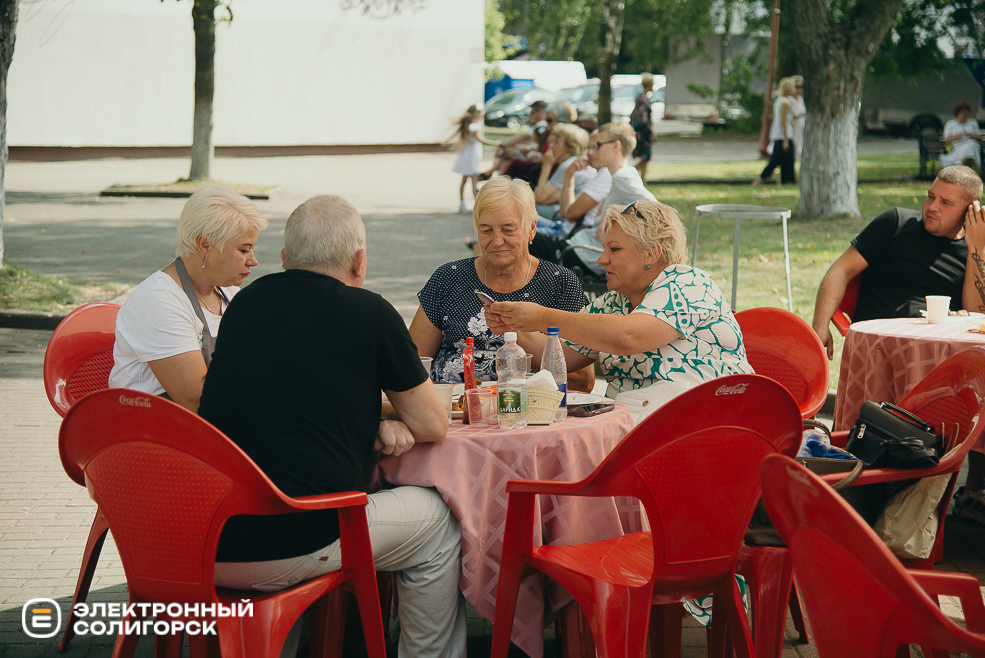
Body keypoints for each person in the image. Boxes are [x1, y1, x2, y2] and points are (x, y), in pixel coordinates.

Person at [201, 195, 466, 658]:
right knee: (439, 522)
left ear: (284, 259)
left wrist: (372, 420)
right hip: (299, 538)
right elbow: (432, 423)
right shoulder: (371, 312)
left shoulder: (244, 306)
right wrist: (385, 416)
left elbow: (288, 393)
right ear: (359, 262)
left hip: (208, 538)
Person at [485, 199, 753, 399]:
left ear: (652, 253)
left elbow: (629, 337)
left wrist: (543, 317)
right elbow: (562, 355)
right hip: (638, 426)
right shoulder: (614, 302)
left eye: (614, 249)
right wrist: (512, 327)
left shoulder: (688, 282)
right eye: (604, 248)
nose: (602, 259)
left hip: (711, 420)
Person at [410, 177, 595, 392]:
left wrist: (521, 333)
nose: (497, 241)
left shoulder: (559, 283)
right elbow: (411, 365)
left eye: (508, 229)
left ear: (532, 229)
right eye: (486, 230)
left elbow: (583, 381)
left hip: (533, 417)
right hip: (455, 415)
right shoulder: (449, 278)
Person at [108, 182, 267, 413]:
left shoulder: (228, 291)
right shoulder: (158, 301)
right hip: (152, 431)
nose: (253, 261)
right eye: (244, 250)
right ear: (205, 246)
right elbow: (196, 400)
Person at [811, 165, 984, 358]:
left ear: (971, 210)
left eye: (945, 202)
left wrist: (977, 250)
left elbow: (976, 316)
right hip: (877, 345)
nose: (932, 207)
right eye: (931, 196)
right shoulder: (896, 223)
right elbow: (841, 270)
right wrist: (819, 326)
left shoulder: (974, 250)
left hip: (934, 353)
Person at [564, 122, 656, 275]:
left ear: (616, 146)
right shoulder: (620, 174)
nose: (594, 150)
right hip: (583, 249)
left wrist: (615, 208)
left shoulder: (623, 176)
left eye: (599, 144)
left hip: (585, 254)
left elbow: (658, 209)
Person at [479, 100, 550, 181]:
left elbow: (523, 137)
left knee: (505, 151)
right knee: (505, 161)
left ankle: (490, 174)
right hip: (529, 154)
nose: (530, 115)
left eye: (532, 112)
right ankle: (497, 179)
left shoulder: (542, 125)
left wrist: (504, 144)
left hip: (532, 156)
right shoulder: (540, 125)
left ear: (540, 111)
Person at [533, 122, 591, 221]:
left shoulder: (569, 165)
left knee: (526, 206)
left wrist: (546, 166)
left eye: (556, 142)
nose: (551, 146)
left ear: (570, 147)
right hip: (572, 216)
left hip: (567, 221)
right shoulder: (574, 161)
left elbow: (540, 198)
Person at [451, 104, 498, 214]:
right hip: (472, 156)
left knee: (465, 180)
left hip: (467, 155)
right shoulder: (474, 127)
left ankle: (463, 203)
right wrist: (496, 143)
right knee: (474, 180)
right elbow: (481, 140)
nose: (480, 118)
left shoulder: (468, 126)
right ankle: (478, 206)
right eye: (480, 116)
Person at [753, 77, 796, 185]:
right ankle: (768, 179)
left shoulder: (779, 100)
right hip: (783, 135)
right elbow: (783, 121)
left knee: (781, 159)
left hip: (778, 134)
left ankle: (785, 180)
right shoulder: (785, 102)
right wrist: (786, 139)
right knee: (783, 159)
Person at [941, 101, 981, 170]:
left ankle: (966, 165)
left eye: (967, 112)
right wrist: (957, 137)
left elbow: (979, 137)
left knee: (972, 144)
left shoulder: (973, 123)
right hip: (957, 147)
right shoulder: (950, 124)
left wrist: (971, 135)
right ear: (958, 112)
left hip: (972, 144)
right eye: (963, 112)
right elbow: (946, 139)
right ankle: (966, 166)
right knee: (970, 147)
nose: (965, 114)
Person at [631, 73, 656, 180]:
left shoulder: (639, 97)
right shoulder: (644, 100)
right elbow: (644, 119)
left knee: (645, 158)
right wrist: (651, 132)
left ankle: (643, 180)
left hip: (639, 132)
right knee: (645, 157)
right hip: (643, 133)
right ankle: (630, 171)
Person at [789, 75, 807, 161]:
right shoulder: (789, 100)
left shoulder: (800, 99)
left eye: (801, 87)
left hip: (801, 126)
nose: (799, 89)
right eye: (797, 87)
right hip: (793, 127)